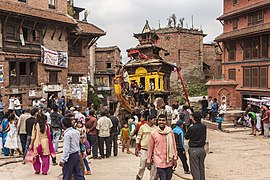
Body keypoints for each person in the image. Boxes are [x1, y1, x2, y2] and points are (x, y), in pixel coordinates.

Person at [146, 114, 178, 180]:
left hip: (169, 161)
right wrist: (148, 160)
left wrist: (175, 157)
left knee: (168, 178)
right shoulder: (154, 133)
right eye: (160, 120)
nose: (161, 122)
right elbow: (150, 148)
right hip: (159, 160)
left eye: (163, 120)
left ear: (166, 122)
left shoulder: (170, 132)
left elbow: (174, 145)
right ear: (157, 121)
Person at [135, 114, 158, 180]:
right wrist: (136, 148)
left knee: (154, 167)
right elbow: (138, 137)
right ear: (150, 120)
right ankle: (139, 176)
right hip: (144, 149)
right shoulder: (143, 127)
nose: (155, 121)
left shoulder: (156, 128)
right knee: (142, 165)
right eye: (154, 119)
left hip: (154, 150)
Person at [185, 112, 207, 180]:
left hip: (194, 149)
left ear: (193, 118)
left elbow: (186, 137)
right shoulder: (203, 126)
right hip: (202, 149)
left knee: (195, 169)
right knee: (201, 168)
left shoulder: (192, 128)